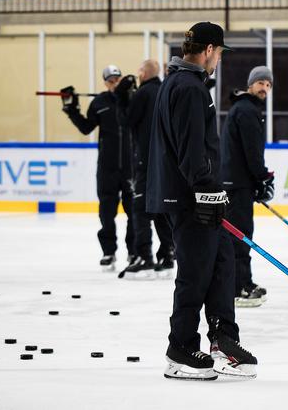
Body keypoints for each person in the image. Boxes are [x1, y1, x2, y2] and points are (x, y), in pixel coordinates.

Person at [146, 22, 257, 381]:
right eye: (220, 53)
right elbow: (191, 150)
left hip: (197, 195)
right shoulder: (189, 87)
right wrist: (207, 189)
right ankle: (180, 348)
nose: (219, 60)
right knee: (195, 274)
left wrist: (211, 190)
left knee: (222, 263)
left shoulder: (182, 83)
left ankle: (224, 339)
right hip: (190, 199)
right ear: (208, 50)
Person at [61, 65, 135, 271]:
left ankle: (134, 251)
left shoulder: (131, 100)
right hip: (107, 167)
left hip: (131, 168)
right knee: (106, 213)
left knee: (135, 213)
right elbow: (86, 128)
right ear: (105, 82)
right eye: (110, 81)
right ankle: (108, 252)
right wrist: (71, 109)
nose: (114, 83)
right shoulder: (98, 102)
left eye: (117, 80)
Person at [115, 60, 175, 280]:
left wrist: (121, 97)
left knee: (140, 208)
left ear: (144, 73)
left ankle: (144, 256)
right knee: (159, 208)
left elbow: (126, 121)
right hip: (164, 161)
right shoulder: (164, 90)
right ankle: (167, 254)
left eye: (140, 70)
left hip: (146, 161)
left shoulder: (144, 92)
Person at [220, 66, 275, 308]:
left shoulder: (244, 108)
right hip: (236, 184)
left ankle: (241, 282)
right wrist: (262, 178)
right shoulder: (247, 111)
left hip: (237, 182)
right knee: (240, 236)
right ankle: (238, 287)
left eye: (268, 85)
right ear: (250, 84)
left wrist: (256, 180)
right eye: (261, 83)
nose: (264, 88)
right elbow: (252, 152)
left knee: (240, 235)